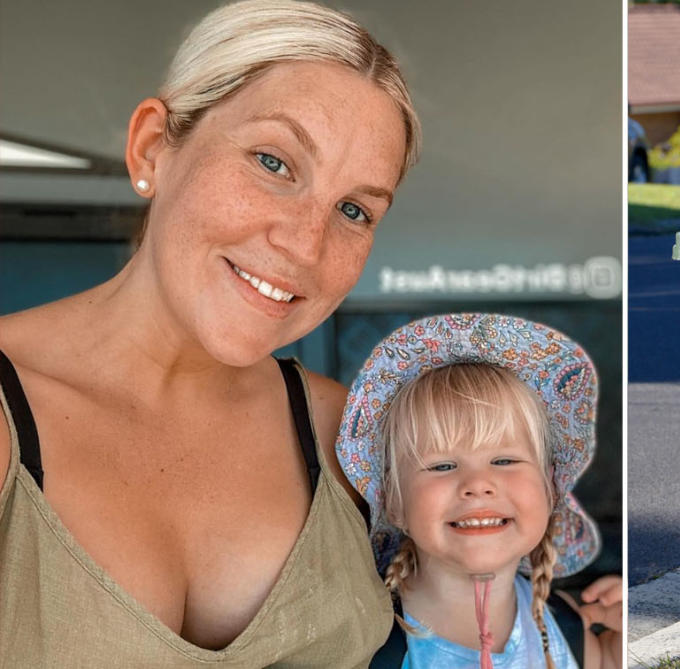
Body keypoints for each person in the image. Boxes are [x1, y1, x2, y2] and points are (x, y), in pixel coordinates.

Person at [0, 0, 419, 664]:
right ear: (152, 149)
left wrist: (574, 611)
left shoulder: (354, 437)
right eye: (273, 162)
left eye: (353, 209)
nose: (306, 245)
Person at [335, 313, 623, 669]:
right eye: (442, 466)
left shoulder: (567, 630)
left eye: (504, 460)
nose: (477, 484)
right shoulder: (367, 647)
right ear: (394, 501)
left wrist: (616, 648)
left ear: (550, 486)